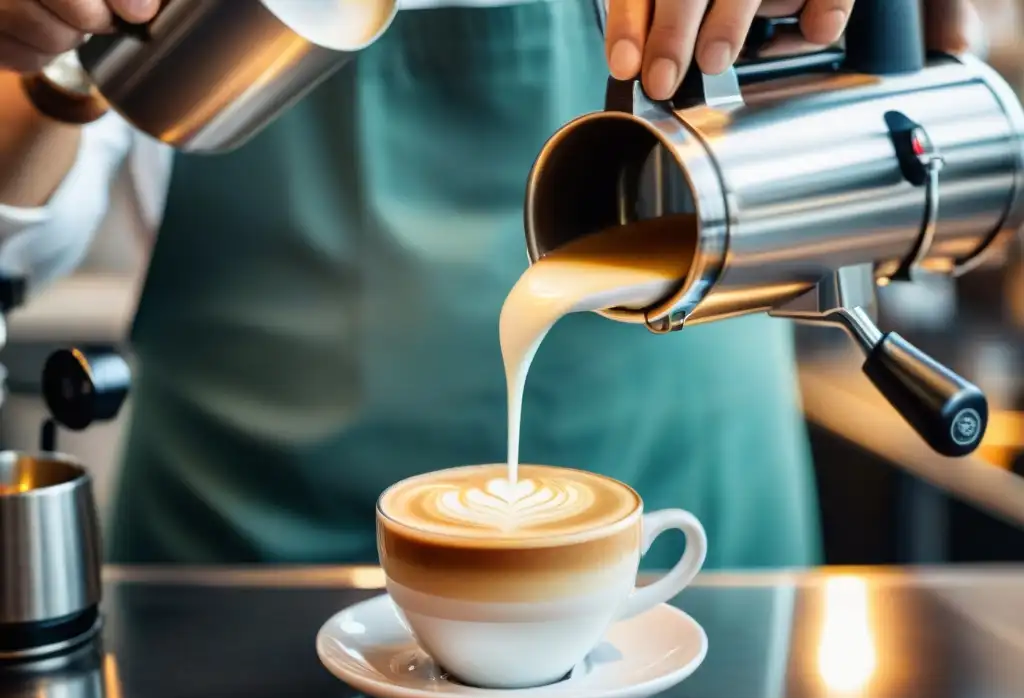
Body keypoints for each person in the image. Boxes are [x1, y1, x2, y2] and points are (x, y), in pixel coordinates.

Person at [0, 0, 977, 566]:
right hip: (242, 587)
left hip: (689, 572)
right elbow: (18, 251)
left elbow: (925, 86)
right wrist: (43, 63)